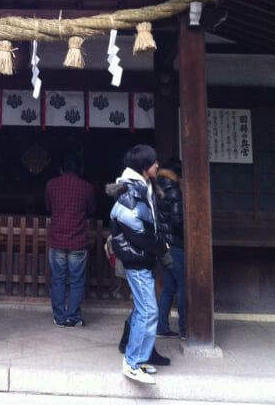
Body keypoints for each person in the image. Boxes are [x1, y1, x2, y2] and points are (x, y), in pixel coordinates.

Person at [107, 144, 172, 385]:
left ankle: (141, 360)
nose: (157, 165)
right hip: (137, 257)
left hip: (141, 257)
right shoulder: (131, 191)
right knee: (148, 310)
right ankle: (132, 362)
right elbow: (135, 229)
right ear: (144, 167)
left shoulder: (141, 187)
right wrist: (159, 246)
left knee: (144, 310)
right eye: (154, 162)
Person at [45, 155, 96, 327]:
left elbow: (48, 207)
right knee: (76, 281)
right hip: (77, 240)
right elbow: (92, 209)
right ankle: (72, 317)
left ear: (61, 169)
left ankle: (59, 317)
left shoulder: (51, 185)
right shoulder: (86, 187)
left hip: (57, 239)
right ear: (79, 170)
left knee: (58, 280)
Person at [156, 158, 186, 339]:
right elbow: (177, 220)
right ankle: (185, 328)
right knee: (183, 285)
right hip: (174, 244)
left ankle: (162, 326)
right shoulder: (174, 190)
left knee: (168, 286)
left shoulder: (157, 188)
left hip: (162, 244)